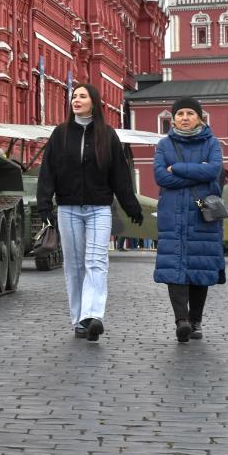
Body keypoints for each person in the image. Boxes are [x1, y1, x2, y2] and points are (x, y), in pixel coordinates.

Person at [36, 84, 143, 342]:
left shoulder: (108, 135)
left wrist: (131, 207)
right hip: (68, 208)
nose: (76, 99)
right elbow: (47, 172)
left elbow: (120, 175)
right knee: (74, 265)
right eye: (74, 96)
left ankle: (93, 316)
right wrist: (44, 205)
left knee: (96, 262)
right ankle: (79, 319)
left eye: (82, 96)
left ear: (94, 102)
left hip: (99, 209)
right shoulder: (60, 134)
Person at [153, 97, 225, 343]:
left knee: (199, 266)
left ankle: (195, 320)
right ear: (173, 119)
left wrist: (179, 168)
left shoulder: (212, 143)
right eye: (180, 113)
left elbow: (213, 170)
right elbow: (161, 177)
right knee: (175, 267)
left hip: (201, 214)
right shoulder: (164, 145)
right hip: (172, 215)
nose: (184, 117)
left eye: (190, 113)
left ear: (200, 118)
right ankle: (181, 321)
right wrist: (196, 171)